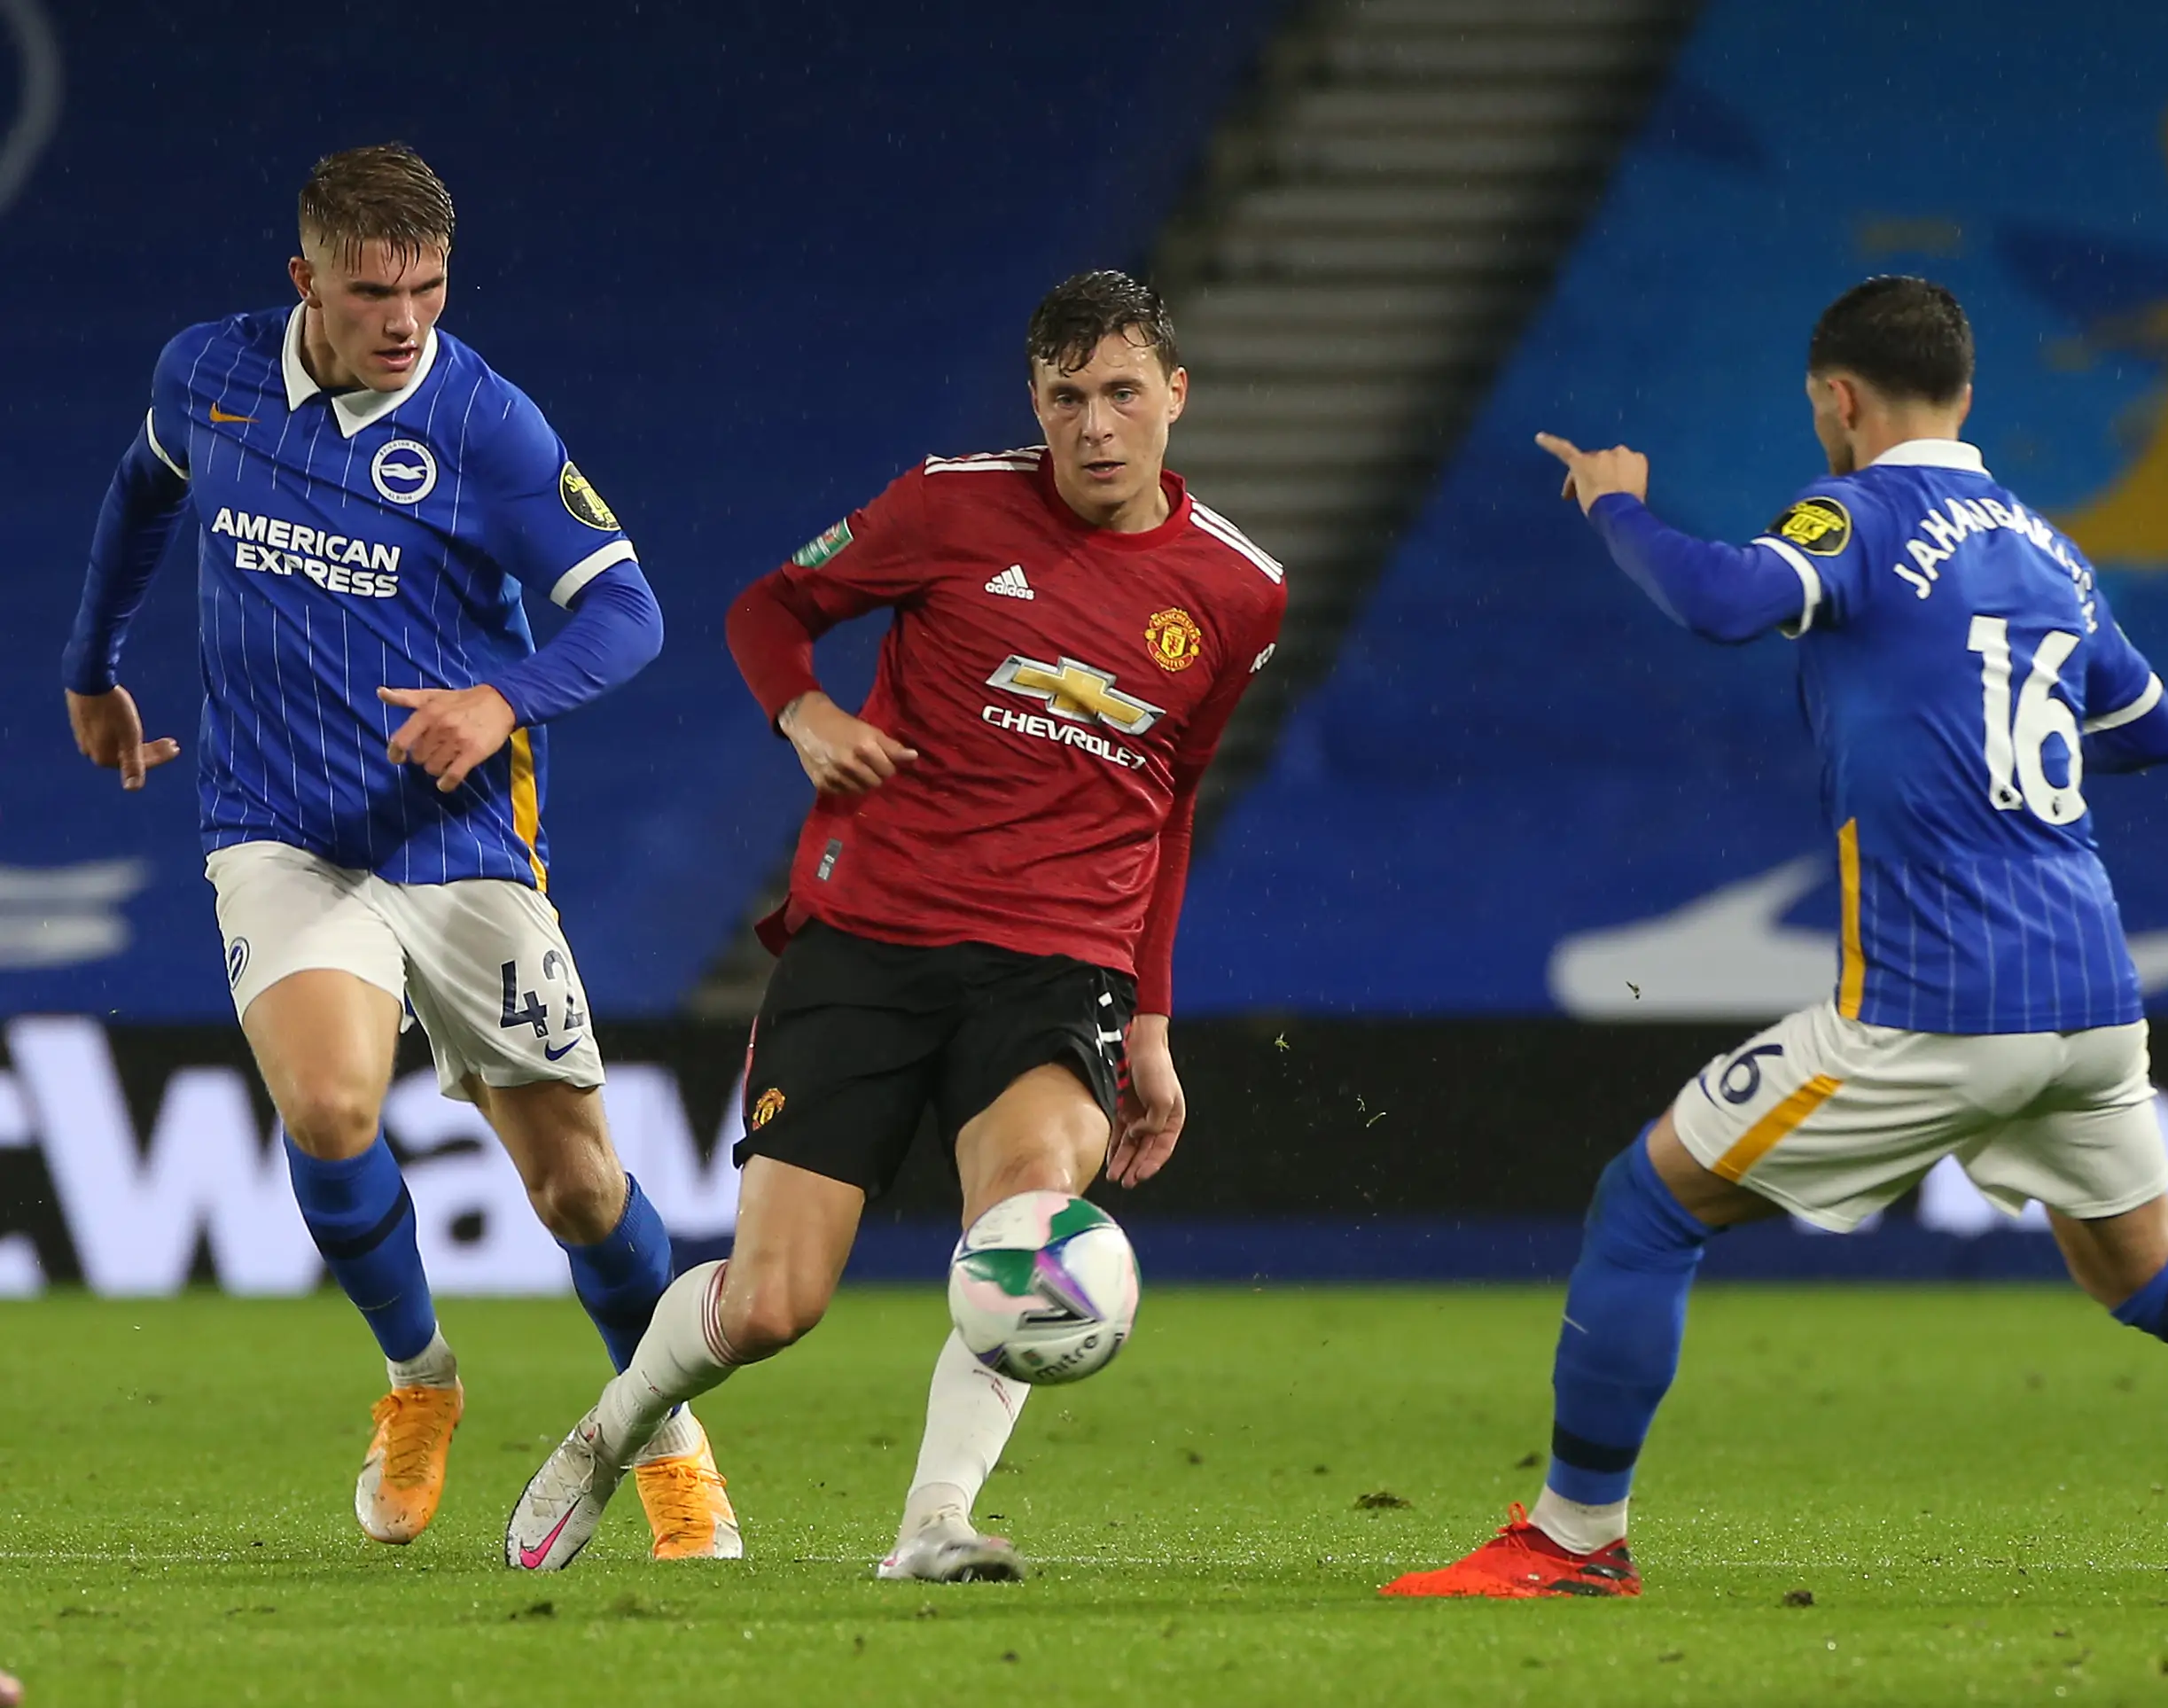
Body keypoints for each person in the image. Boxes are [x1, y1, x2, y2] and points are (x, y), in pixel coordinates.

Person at [1382, 276, 2168, 1605]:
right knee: (2154, 1267)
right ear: (1966, 391)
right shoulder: (2047, 548)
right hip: (2089, 994)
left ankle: (1573, 1538)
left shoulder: (1860, 514)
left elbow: (1720, 599)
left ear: (1840, 399)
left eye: (1821, 408)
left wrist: (1614, 499)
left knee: (1649, 1203)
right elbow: (2152, 729)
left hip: (1936, 998)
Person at [506, 269, 1286, 1575]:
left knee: (1030, 1220)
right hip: (869, 939)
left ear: (1176, 396)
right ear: (1034, 404)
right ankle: (615, 1426)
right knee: (770, 1304)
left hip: (1057, 962)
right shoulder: (949, 504)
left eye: (1123, 394)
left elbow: (1175, 797)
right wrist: (807, 717)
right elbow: (768, 608)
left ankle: (934, 1523)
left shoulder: (1238, 593)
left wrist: (1150, 1016)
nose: (1096, 425)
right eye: (1067, 397)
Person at [61, 143, 737, 1560]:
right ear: (305, 279)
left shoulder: (485, 422)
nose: (406, 320)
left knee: (579, 1188)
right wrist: (93, 668)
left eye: (428, 287)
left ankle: (663, 1426)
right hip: (277, 826)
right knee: (327, 1108)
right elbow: (139, 489)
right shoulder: (214, 374)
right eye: (375, 291)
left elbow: (628, 614)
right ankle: (420, 1379)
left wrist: (501, 698)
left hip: (462, 841)